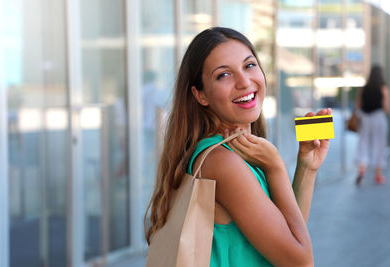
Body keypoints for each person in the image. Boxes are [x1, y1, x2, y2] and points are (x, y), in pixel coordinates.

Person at [145, 27, 330, 266]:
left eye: (249, 65)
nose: (244, 82)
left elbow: (288, 236)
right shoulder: (223, 163)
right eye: (224, 75)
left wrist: (307, 166)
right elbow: (300, 261)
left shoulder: (238, 154)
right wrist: (275, 166)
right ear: (200, 95)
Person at [355, 65, 389, 185]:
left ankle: (362, 170)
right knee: (379, 144)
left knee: (363, 143)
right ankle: (378, 174)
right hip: (378, 117)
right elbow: (386, 108)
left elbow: (358, 104)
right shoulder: (383, 88)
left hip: (365, 117)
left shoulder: (364, 88)